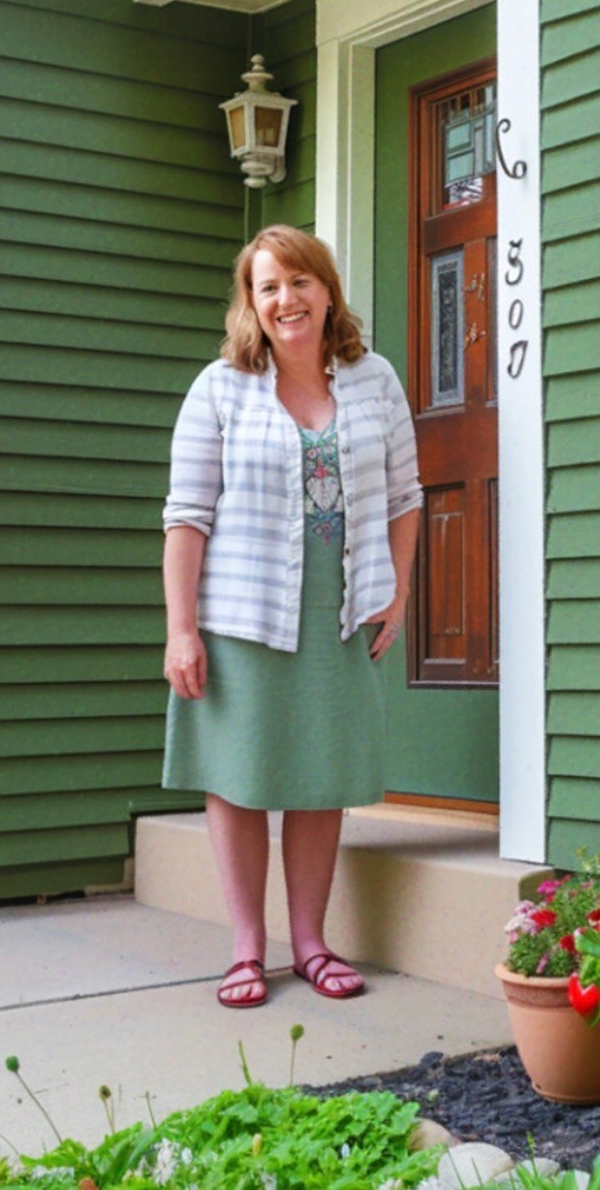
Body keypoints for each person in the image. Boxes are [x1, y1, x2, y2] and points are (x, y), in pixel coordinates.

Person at [161, 225, 422, 1008]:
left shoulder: (373, 380)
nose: (286, 299)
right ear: (251, 303)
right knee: (238, 779)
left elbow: (408, 498)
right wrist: (181, 628)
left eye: (299, 281)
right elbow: (187, 516)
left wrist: (399, 591)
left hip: (340, 607)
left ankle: (310, 942)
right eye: (268, 287)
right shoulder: (220, 387)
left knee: (319, 779)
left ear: (327, 289)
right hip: (240, 609)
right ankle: (248, 949)